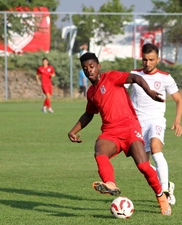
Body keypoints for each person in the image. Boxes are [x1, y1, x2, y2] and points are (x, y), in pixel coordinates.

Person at [68, 52, 172, 216]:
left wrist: (149, 91)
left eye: (91, 66)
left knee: (144, 166)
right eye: (85, 68)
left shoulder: (111, 77)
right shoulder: (91, 93)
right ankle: (110, 183)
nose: (89, 70)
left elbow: (135, 78)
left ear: (98, 66)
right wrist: (73, 131)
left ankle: (161, 197)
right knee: (100, 150)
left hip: (130, 128)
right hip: (111, 132)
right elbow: (89, 114)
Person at [128, 43, 182, 205]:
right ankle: (167, 183)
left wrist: (177, 120)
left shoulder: (165, 77)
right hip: (137, 123)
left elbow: (179, 100)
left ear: (158, 59)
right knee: (143, 165)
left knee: (155, 149)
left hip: (156, 120)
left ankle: (165, 192)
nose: (148, 63)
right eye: (145, 60)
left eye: (151, 59)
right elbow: (118, 90)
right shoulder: (133, 75)